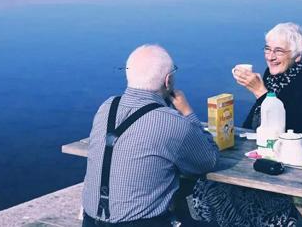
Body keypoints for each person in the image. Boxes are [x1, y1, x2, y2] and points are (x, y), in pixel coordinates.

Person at [191, 22, 302, 227]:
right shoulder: (273, 76)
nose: (270, 57)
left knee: (230, 189)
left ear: (297, 56)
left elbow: (293, 131)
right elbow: (258, 117)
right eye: (267, 48)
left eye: (278, 51)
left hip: (294, 162)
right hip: (265, 152)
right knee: (209, 180)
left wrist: (260, 92)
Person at [82, 44, 220, 227]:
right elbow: (207, 161)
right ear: (168, 81)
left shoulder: (106, 107)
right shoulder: (171, 121)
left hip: (91, 221)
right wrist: (188, 114)